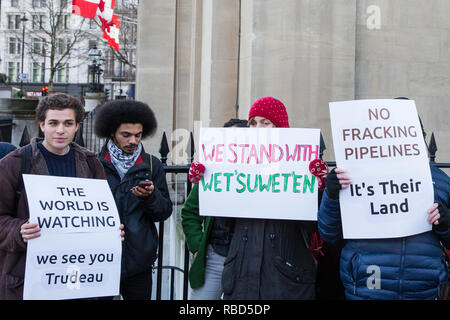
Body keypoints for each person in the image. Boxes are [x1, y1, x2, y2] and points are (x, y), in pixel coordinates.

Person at [189, 97, 317, 300]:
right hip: (242, 273)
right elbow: (223, 220)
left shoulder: (299, 166)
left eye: (265, 123)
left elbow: (313, 226)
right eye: (253, 123)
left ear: (280, 127)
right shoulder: (236, 168)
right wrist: (208, 184)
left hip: (284, 275)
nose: (257, 128)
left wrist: (317, 189)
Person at [0, 93, 124, 300]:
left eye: (68, 123)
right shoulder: (13, 163)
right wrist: (19, 230)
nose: (60, 130)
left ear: (77, 126)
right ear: (42, 125)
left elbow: (99, 214)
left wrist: (109, 232)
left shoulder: (92, 164)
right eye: (53, 123)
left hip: (79, 279)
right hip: (28, 278)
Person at [318, 117, 450, 300]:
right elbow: (329, 233)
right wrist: (331, 195)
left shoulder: (441, 181)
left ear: (420, 137)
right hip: (367, 286)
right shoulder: (353, 176)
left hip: (422, 289)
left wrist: (446, 224)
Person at [94, 99, 173, 300]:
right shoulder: (93, 165)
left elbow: (164, 212)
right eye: (126, 135)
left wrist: (151, 197)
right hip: (100, 258)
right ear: (111, 132)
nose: (133, 141)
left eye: (138, 135)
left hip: (139, 262)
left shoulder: (153, 165)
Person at [181, 118, 247, 300]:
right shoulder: (212, 172)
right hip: (216, 256)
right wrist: (197, 247)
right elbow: (189, 213)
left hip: (248, 260)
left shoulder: (264, 176)